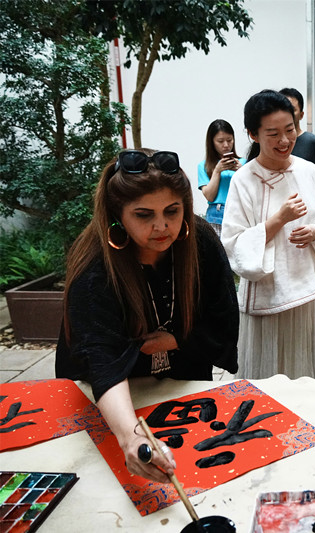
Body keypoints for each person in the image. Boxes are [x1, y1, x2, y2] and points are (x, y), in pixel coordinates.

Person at [55, 149, 239, 483]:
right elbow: (101, 359)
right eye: (143, 214)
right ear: (117, 214)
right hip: (113, 396)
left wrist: (177, 339)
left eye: (173, 211)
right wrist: (131, 437)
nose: (161, 226)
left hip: (185, 376)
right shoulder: (95, 266)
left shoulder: (200, 241)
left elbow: (224, 316)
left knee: (200, 473)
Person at [222, 90, 315, 379]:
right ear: (253, 134)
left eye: (290, 130)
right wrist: (279, 219)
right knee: (268, 381)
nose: (285, 140)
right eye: (273, 133)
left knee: (311, 374)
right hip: (268, 296)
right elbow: (233, 244)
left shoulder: (309, 171)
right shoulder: (244, 179)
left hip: (309, 292)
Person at [197, 119, 245, 237]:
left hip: (240, 213)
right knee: (216, 253)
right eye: (220, 141)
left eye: (229, 140)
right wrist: (217, 171)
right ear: (212, 142)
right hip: (216, 215)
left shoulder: (244, 163)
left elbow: (252, 191)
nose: (226, 145)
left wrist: (242, 171)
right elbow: (210, 196)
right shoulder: (204, 166)